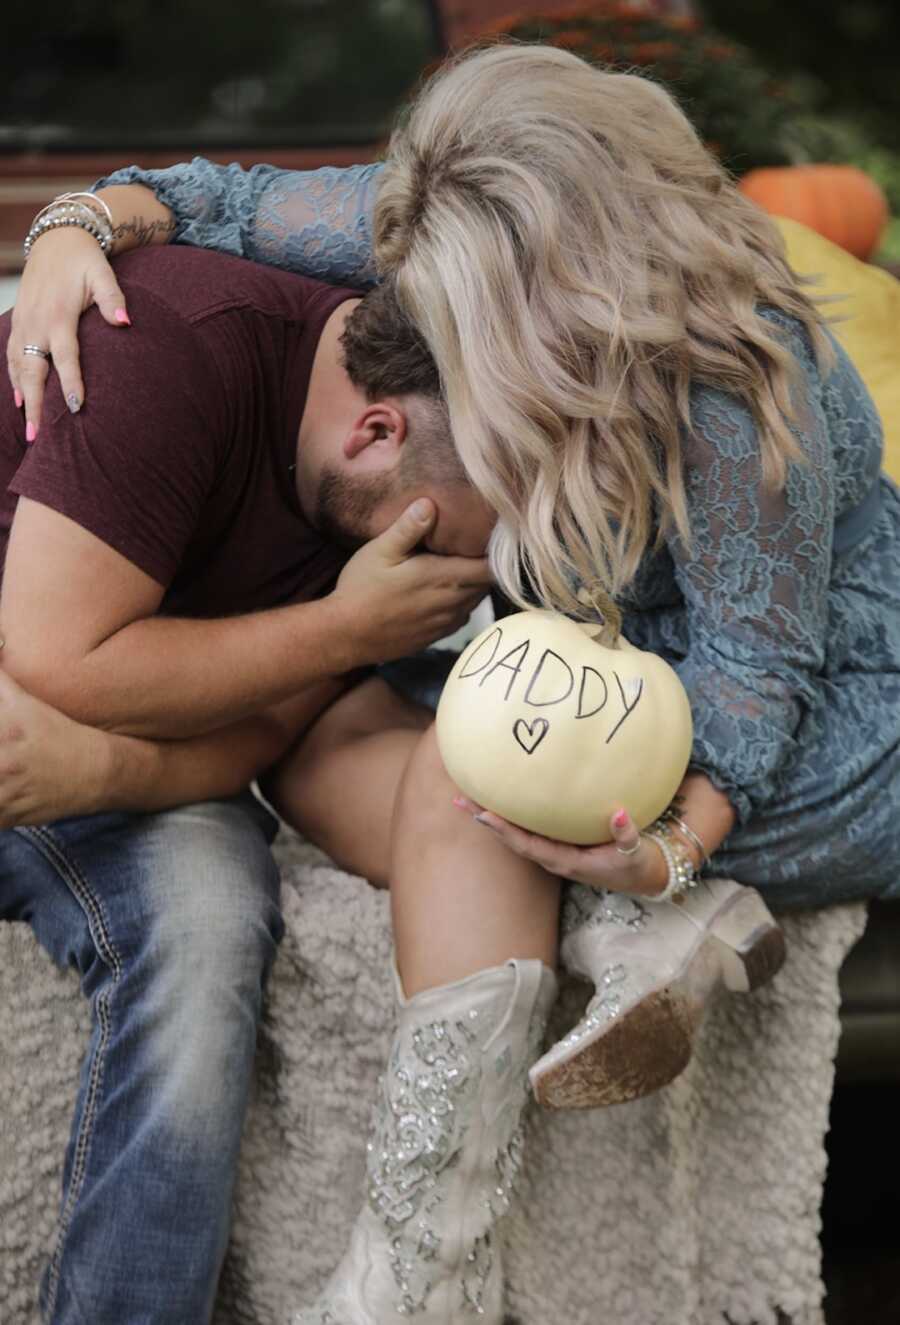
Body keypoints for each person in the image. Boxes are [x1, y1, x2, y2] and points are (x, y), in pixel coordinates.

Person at [7, 40, 900, 1324]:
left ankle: (417, 1262)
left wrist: (670, 850)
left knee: (469, 776)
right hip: (589, 674)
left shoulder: (734, 376)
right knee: (377, 747)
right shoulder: (453, 243)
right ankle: (439, 1259)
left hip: (808, 731)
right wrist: (67, 231)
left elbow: (757, 689)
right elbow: (200, 193)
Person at [0, 241, 500, 1323]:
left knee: (213, 911)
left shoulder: (371, 497)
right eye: (452, 559)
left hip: (120, 759)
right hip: (29, 672)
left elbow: (261, 731)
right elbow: (49, 650)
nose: (456, 593)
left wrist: (103, 764)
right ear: (377, 433)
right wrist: (341, 625)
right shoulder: (171, 342)